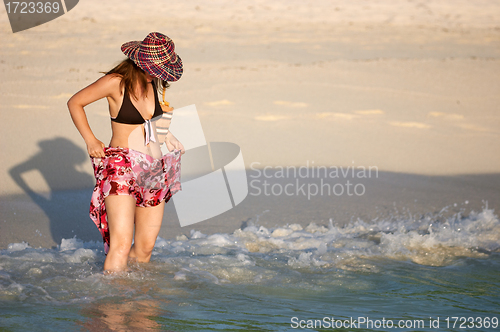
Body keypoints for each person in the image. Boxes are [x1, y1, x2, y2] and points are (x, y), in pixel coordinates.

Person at [67, 32, 185, 273]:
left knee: (145, 248)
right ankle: (113, 306)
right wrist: (91, 139)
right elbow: (75, 102)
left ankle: (135, 302)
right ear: (142, 62)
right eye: (156, 69)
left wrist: (168, 136)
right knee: (120, 245)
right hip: (121, 167)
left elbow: (149, 121)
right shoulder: (116, 82)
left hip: (153, 170)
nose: (159, 74)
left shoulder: (154, 82)